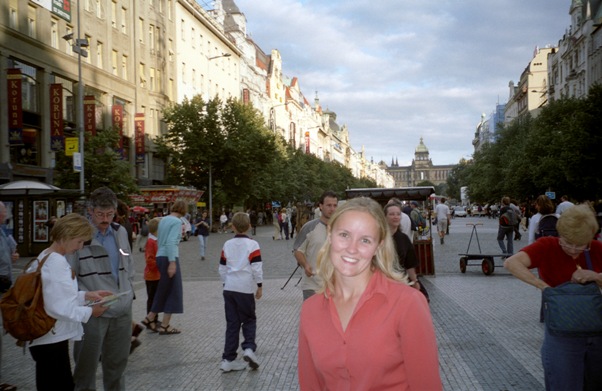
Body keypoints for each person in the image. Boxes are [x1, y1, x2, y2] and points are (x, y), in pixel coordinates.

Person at [298, 197, 442, 390]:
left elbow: (426, 385)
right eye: (344, 235)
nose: (352, 248)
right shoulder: (311, 309)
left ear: (379, 246)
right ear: (330, 235)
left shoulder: (408, 304)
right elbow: (310, 385)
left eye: (365, 240)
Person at [504, 204, 602, 390]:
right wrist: (544, 287)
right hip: (562, 333)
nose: (573, 249)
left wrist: (595, 276)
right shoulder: (547, 245)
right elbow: (512, 263)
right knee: (563, 383)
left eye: (580, 245)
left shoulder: (596, 248)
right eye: (567, 242)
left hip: (597, 331)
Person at [28, 213, 111, 391]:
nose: (80, 247)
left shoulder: (45, 256)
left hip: (45, 336)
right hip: (51, 337)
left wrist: (86, 295)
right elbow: (57, 307)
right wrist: (90, 312)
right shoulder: (57, 262)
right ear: (66, 236)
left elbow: (53, 295)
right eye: (79, 241)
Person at [67, 187, 135, 391]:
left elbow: (128, 261)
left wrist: (128, 291)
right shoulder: (78, 236)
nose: (105, 219)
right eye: (100, 214)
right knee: (85, 368)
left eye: (109, 214)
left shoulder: (120, 231)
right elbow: (69, 275)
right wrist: (86, 302)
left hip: (122, 309)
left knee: (117, 366)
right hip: (93, 311)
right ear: (90, 211)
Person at [218, 212, 263, 372]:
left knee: (232, 323)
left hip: (229, 287)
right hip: (244, 288)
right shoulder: (253, 245)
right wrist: (259, 285)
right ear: (250, 226)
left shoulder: (227, 244)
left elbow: (222, 268)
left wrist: (225, 282)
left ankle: (228, 358)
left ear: (233, 227)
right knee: (249, 319)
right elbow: (257, 267)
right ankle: (249, 348)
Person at [142, 200, 186, 335]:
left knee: (165, 289)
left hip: (160, 256)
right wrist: (172, 262)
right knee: (174, 291)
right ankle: (160, 323)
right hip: (169, 257)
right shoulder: (177, 222)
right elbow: (172, 243)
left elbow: (162, 239)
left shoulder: (163, 220)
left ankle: (153, 318)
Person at [294, 191, 339, 300]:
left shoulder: (342, 228)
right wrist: (305, 265)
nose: (332, 209)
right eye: (328, 205)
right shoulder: (309, 227)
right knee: (313, 317)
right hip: (313, 286)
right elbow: (297, 250)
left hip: (336, 287)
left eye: (334, 205)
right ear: (320, 206)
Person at [0, 202, 19, 391]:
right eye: (4, 213)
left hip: (4, 290)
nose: (6, 215)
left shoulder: (3, 231)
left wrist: (13, 255)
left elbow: (12, 249)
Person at [384, 202, 421, 291]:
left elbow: (409, 264)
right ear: (385, 217)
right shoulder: (377, 237)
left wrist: (415, 281)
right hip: (381, 282)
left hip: (400, 282)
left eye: (398, 214)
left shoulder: (403, 239)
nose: (395, 217)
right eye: (392, 214)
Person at [144, 218, 161, 315]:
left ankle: (154, 319)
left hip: (157, 274)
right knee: (152, 299)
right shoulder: (151, 242)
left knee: (156, 298)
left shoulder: (155, 241)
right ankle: (151, 320)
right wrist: (159, 264)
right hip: (152, 275)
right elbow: (149, 260)